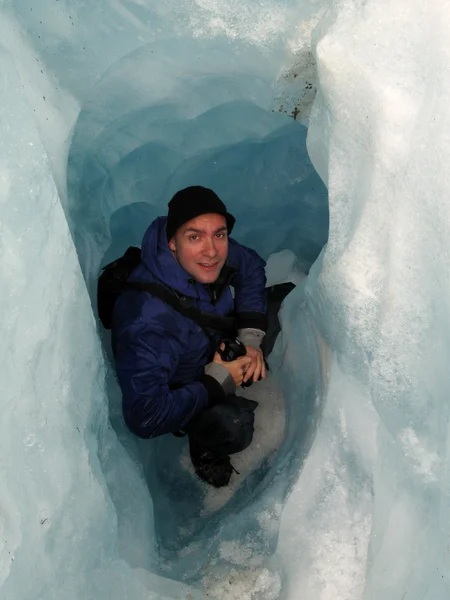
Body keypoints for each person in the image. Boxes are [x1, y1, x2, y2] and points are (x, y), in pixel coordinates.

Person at [112, 186, 270, 488]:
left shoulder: (212, 253)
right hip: (185, 379)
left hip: (216, 340)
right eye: (194, 236)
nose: (211, 251)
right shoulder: (147, 322)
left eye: (219, 235)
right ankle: (205, 445)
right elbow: (145, 417)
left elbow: (250, 268)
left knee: (282, 302)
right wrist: (214, 382)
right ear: (172, 242)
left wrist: (250, 340)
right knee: (234, 426)